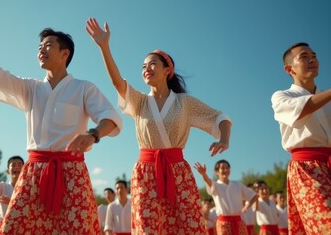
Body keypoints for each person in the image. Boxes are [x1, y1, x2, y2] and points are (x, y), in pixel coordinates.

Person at [0, 14, 122, 234]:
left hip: (72, 173)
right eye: (40, 46)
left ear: (64, 54)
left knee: (77, 229)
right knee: (13, 228)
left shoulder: (84, 88)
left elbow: (110, 118)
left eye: (48, 45)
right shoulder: (30, 88)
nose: (41, 49)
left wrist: (93, 135)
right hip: (33, 172)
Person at [86, 17, 232, 234]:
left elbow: (220, 117)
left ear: (167, 70)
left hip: (178, 173)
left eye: (153, 63)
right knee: (149, 229)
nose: (147, 68)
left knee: (188, 227)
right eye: (143, 66)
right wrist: (104, 47)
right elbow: (118, 83)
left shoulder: (185, 103)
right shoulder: (140, 101)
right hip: (146, 173)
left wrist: (224, 139)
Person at [271, 42, 331, 234]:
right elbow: (304, 108)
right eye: (304, 56)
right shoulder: (282, 96)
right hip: (308, 170)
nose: (312, 60)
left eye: (314, 55)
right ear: (289, 69)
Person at [195, 159, 258, 235]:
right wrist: (203, 174)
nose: (225, 170)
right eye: (222, 168)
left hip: (239, 222)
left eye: (227, 168)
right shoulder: (216, 185)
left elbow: (254, 196)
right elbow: (209, 182)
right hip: (223, 223)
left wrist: (247, 206)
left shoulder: (237, 184)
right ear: (216, 172)